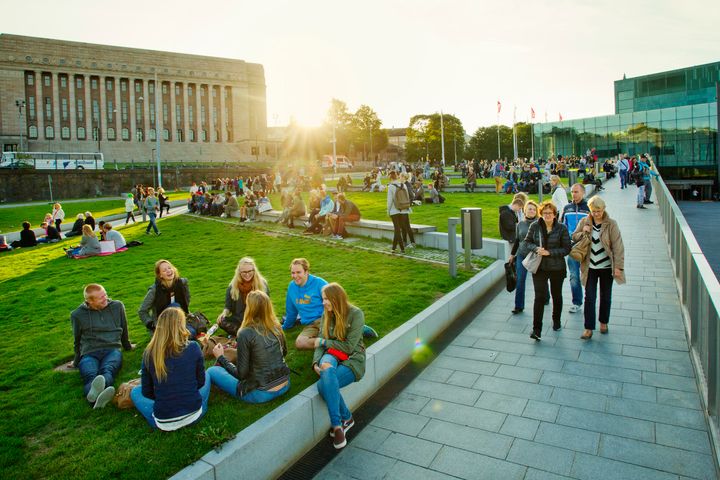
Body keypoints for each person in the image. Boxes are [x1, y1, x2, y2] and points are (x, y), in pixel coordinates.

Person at [131, 308, 210, 430]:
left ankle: (168, 408)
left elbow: (147, 392)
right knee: (207, 375)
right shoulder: (193, 347)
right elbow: (201, 382)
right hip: (194, 414)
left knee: (135, 391)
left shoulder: (149, 353)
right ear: (181, 325)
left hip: (164, 420)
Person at [207, 291, 291, 403]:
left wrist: (221, 357)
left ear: (250, 308)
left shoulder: (245, 333)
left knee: (212, 371)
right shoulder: (276, 326)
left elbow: (241, 375)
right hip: (285, 384)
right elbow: (283, 353)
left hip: (262, 393)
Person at [312, 282, 366, 449]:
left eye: (327, 299)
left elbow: (349, 346)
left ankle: (338, 423)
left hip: (353, 359)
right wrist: (315, 362)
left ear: (336, 299)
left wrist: (324, 341)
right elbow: (320, 344)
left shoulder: (356, 314)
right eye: (323, 299)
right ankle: (342, 423)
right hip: (332, 355)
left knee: (323, 386)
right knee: (327, 369)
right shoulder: (326, 314)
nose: (324, 303)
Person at [71, 284, 133, 409]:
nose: (106, 298)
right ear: (89, 301)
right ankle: (97, 398)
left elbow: (124, 328)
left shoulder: (117, 306)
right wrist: (76, 361)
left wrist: (127, 346)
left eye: (105, 294)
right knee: (90, 375)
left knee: (108, 369)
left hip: (112, 349)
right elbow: (77, 339)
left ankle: (94, 399)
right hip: (89, 352)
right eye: (101, 297)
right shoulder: (77, 315)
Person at [572, 196, 625, 340]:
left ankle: (603, 322)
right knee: (589, 297)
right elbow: (574, 236)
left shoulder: (611, 224)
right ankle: (588, 328)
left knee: (605, 296)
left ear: (603, 209)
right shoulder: (584, 221)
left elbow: (618, 247)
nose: (596, 214)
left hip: (607, 266)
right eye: (593, 211)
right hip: (590, 267)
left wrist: (618, 267)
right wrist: (584, 231)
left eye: (599, 211)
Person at [522, 201, 571, 340]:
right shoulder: (535, 225)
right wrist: (536, 249)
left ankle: (556, 320)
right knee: (539, 297)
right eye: (545, 213)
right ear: (541, 214)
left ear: (555, 214)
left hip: (557, 267)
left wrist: (550, 252)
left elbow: (567, 248)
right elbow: (526, 242)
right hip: (540, 268)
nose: (548, 215)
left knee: (556, 295)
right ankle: (536, 329)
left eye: (550, 213)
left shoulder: (561, 228)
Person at [281, 258, 329, 350]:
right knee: (300, 343)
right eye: (293, 273)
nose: (295, 276)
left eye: (298, 272)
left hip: (325, 319)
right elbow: (291, 312)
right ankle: (329, 344)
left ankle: (358, 329)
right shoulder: (291, 287)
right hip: (310, 325)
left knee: (339, 333)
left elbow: (335, 303)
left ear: (306, 272)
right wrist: (285, 327)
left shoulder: (320, 283)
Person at [217, 257, 270, 336]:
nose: (247, 274)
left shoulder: (262, 285)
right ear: (239, 272)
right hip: (239, 319)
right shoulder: (232, 287)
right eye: (244, 272)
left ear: (254, 270)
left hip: (256, 319)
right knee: (221, 321)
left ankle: (242, 334)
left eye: (249, 271)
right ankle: (246, 333)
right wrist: (224, 313)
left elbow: (267, 308)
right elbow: (227, 307)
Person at [138, 259, 190, 332]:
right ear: (160, 275)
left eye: (169, 268)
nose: (168, 271)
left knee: (193, 332)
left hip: (180, 320)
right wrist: (152, 325)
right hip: (162, 325)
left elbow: (187, 300)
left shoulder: (182, 283)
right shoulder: (154, 290)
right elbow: (142, 311)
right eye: (164, 270)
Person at [561, 183, 590, 313]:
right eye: (572, 192)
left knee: (589, 275)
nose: (574, 194)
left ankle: (590, 299)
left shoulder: (589, 207)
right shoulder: (567, 208)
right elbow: (562, 226)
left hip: (587, 248)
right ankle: (577, 302)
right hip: (572, 247)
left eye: (576, 192)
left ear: (583, 192)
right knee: (573, 275)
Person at [508, 200, 539, 314]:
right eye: (529, 209)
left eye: (534, 209)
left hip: (535, 256)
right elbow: (517, 240)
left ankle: (545, 297)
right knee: (520, 279)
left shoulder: (540, 224)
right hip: (521, 255)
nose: (531, 211)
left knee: (540, 281)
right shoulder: (520, 224)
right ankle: (518, 305)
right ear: (525, 210)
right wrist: (512, 255)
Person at [387, 171, 413, 253]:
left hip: (394, 210)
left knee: (397, 229)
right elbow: (407, 197)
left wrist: (388, 210)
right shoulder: (403, 185)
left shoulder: (391, 186)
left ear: (390, 177)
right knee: (398, 229)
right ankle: (394, 247)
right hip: (404, 209)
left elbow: (389, 201)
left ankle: (402, 248)